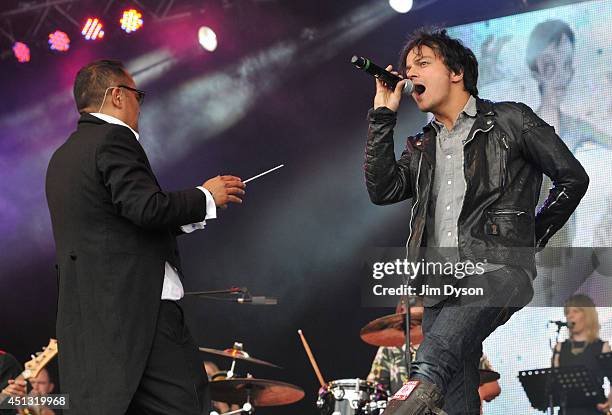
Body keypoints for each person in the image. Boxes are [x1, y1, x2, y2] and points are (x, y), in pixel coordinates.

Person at [364, 28, 589, 414]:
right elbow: (382, 189)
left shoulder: (511, 120)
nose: (410, 73)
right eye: (407, 67)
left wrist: (533, 233)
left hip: (497, 270)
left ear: (456, 73)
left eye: (422, 63)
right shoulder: (423, 145)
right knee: (456, 394)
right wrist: (383, 115)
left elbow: (573, 178)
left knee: (431, 362)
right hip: (438, 286)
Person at [45, 59, 246, 415]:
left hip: (94, 323)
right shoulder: (113, 138)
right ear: (118, 96)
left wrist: (187, 219)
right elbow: (146, 208)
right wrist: (204, 196)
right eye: (138, 95)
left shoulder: (62, 158)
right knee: (187, 404)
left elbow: (116, 224)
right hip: (142, 315)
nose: (141, 105)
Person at [367, 301, 500, 413]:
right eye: (413, 323)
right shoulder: (389, 349)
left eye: (420, 320)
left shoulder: (457, 337)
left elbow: (493, 387)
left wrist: (470, 396)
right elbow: (375, 389)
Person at [552, 294, 611, 414]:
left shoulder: (601, 347)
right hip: (567, 410)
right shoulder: (560, 348)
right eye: (567, 312)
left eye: (576, 311)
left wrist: (609, 403)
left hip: (593, 410)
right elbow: (554, 382)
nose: (570, 315)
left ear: (588, 315)